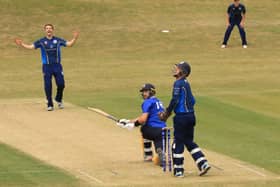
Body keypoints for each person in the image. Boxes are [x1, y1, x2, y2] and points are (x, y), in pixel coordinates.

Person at [158, 61, 211, 177]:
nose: (175, 69)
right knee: (189, 141)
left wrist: (167, 113)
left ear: (183, 72)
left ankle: (178, 170)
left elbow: (175, 100)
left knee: (177, 143)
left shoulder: (178, 83)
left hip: (181, 117)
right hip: (191, 116)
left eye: (177, 68)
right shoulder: (186, 83)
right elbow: (193, 101)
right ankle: (203, 163)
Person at [15, 24, 79, 111]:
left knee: (61, 84)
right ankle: (50, 104)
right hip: (47, 66)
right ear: (45, 30)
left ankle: (59, 99)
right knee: (48, 85)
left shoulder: (58, 40)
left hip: (57, 66)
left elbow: (69, 44)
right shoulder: (41, 41)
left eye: (50, 28)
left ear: (53, 30)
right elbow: (31, 47)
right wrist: (22, 44)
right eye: (47, 28)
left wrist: (74, 38)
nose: (49, 30)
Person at [116, 83, 166, 165]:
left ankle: (148, 155)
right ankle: (160, 152)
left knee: (144, 128)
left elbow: (143, 120)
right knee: (158, 142)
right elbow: (145, 117)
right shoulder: (159, 102)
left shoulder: (147, 102)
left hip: (152, 130)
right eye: (143, 92)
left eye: (146, 91)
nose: (143, 94)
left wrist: (133, 125)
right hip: (163, 131)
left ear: (152, 92)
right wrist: (128, 121)